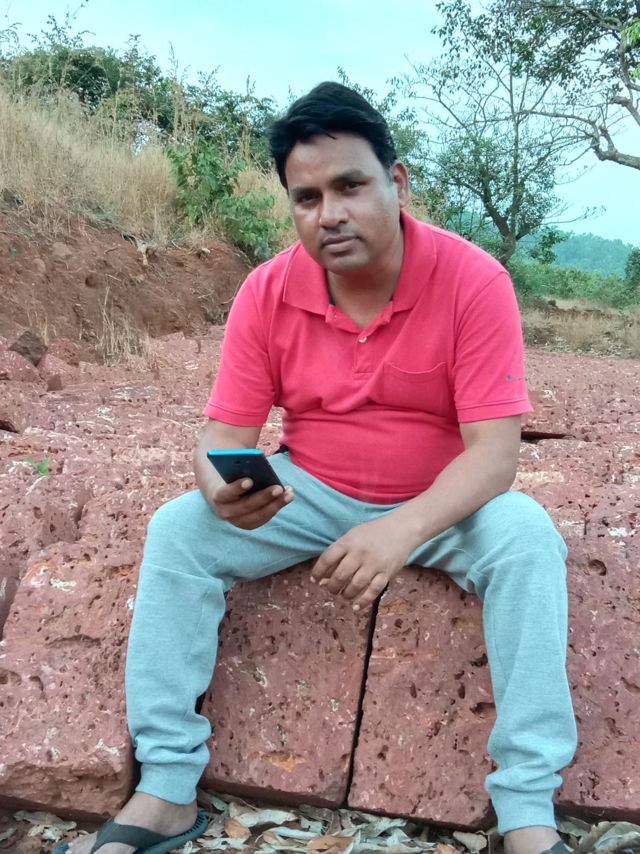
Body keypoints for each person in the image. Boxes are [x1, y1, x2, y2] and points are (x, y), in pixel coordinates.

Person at [56, 82, 577, 854]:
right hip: (310, 493)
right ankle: (165, 787)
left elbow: (495, 456)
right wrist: (220, 488)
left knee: (528, 538)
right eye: (307, 197)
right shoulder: (267, 291)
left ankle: (527, 810)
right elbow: (221, 434)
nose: (329, 213)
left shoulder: (473, 281)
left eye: (350, 186)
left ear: (397, 184)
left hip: (445, 504)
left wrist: (398, 531)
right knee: (179, 530)